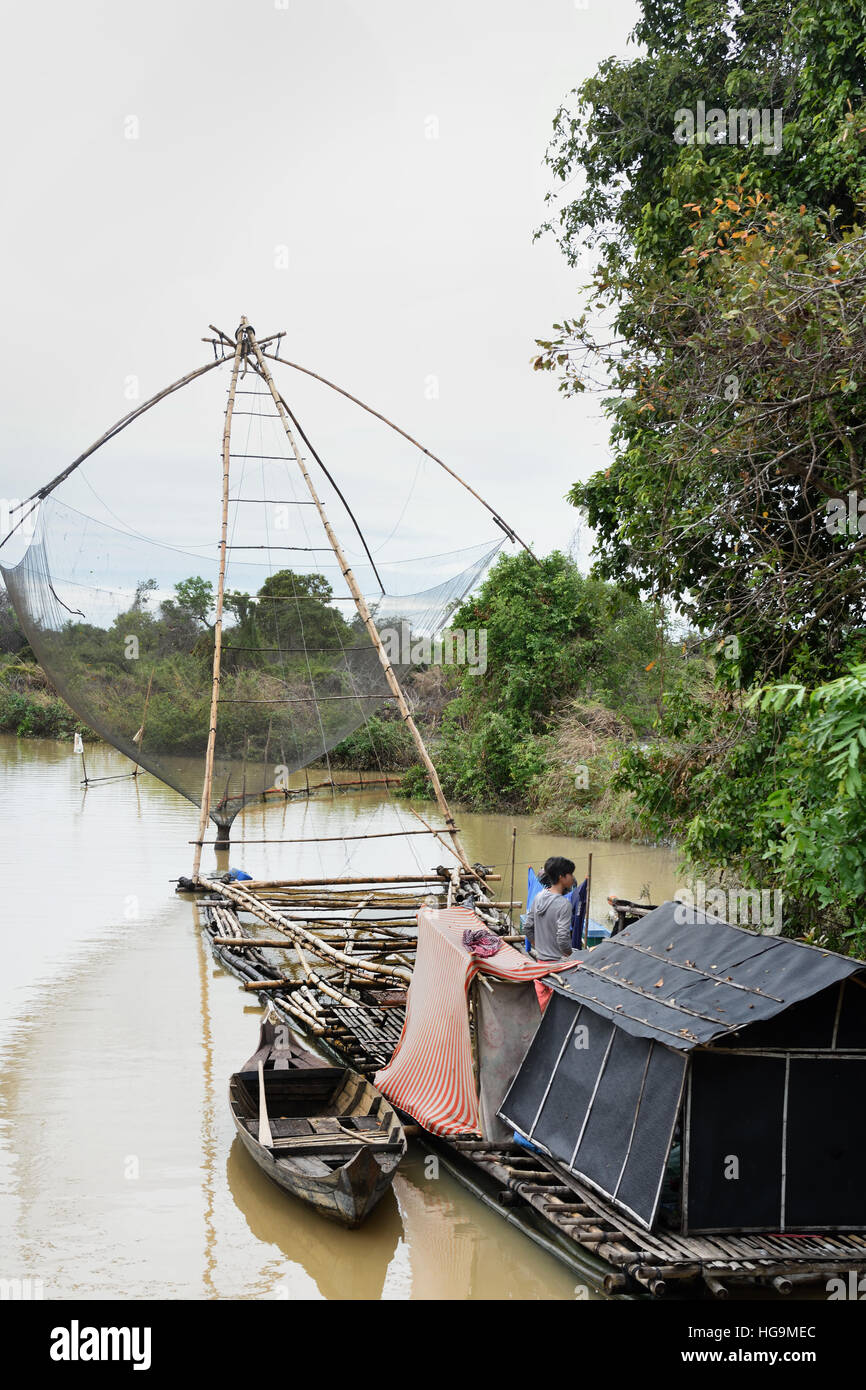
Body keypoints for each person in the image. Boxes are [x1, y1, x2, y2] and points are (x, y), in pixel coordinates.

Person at [525, 856, 576, 1012]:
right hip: (557, 966)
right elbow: (563, 939)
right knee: (556, 1011)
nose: (573, 878)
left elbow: (527, 928)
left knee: (541, 1009)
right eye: (571, 874)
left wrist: (536, 944)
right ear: (562, 877)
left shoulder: (538, 897)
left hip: (540, 964)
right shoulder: (563, 904)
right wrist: (570, 954)